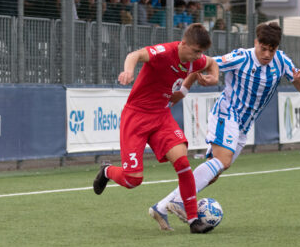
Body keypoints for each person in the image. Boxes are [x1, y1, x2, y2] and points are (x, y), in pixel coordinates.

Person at [149, 22, 300, 230]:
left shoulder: (282, 61)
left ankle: (161, 207)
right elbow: (201, 63)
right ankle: (180, 202)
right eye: (263, 48)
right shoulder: (241, 57)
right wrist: (183, 92)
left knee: (214, 173)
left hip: (243, 125)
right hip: (227, 114)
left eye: (272, 50)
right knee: (222, 161)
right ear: (256, 43)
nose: (267, 54)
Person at [93, 23, 220, 234]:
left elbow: (211, 63)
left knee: (183, 163)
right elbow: (134, 55)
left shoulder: (194, 59)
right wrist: (128, 71)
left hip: (161, 117)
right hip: (136, 117)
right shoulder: (164, 52)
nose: (199, 56)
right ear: (184, 44)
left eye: (201, 52)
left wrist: (210, 79)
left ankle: (193, 221)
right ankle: (107, 170)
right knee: (133, 180)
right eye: (196, 51)